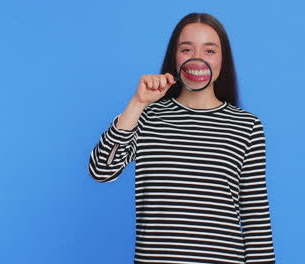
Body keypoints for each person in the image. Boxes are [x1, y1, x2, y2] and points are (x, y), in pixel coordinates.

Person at [89, 13, 276, 264]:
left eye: (210, 50)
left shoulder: (247, 126)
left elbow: (256, 221)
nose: (198, 57)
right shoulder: (147, 116)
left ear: (223, 60)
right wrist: (137, 103)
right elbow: (101, 169)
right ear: (175, 58)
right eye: (187, 49)